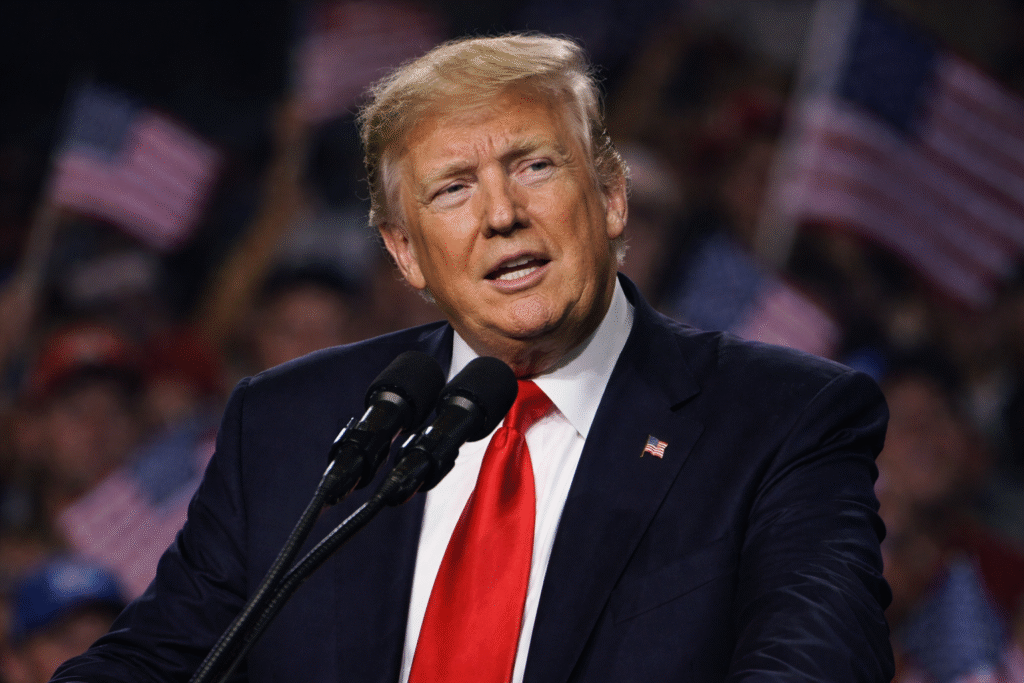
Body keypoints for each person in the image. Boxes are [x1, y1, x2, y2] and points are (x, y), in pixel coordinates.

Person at [51, 34, 893, 682]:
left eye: (533, 166)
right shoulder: (291, 424)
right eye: (452, 188)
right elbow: (158, 660)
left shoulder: (781, 420)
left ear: (609, 197)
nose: (501, 215)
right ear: (406, 252)